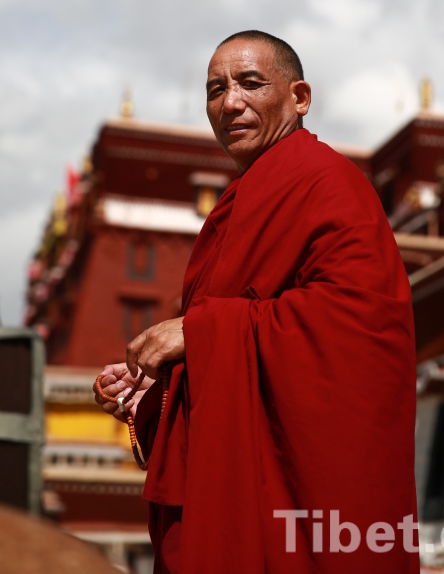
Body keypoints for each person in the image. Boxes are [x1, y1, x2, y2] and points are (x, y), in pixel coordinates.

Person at [95, 30, 418, 574]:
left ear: (300, 97)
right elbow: (229, 356)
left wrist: (198, 333)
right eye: (215, 90)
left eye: (250, 83)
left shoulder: (329, 183)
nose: (231, 103)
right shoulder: (237, 203)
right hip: (228, 488)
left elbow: (358, 326)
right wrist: (162, 387)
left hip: (300, 514)